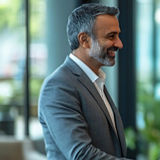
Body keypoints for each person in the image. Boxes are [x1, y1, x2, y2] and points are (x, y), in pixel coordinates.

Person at [38, 3, 130, 160]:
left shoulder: (96, 81)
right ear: (84, 40)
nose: (119, 44)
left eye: (118, 36)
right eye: (111, 36)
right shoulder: (58, 86)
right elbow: (81, 154)